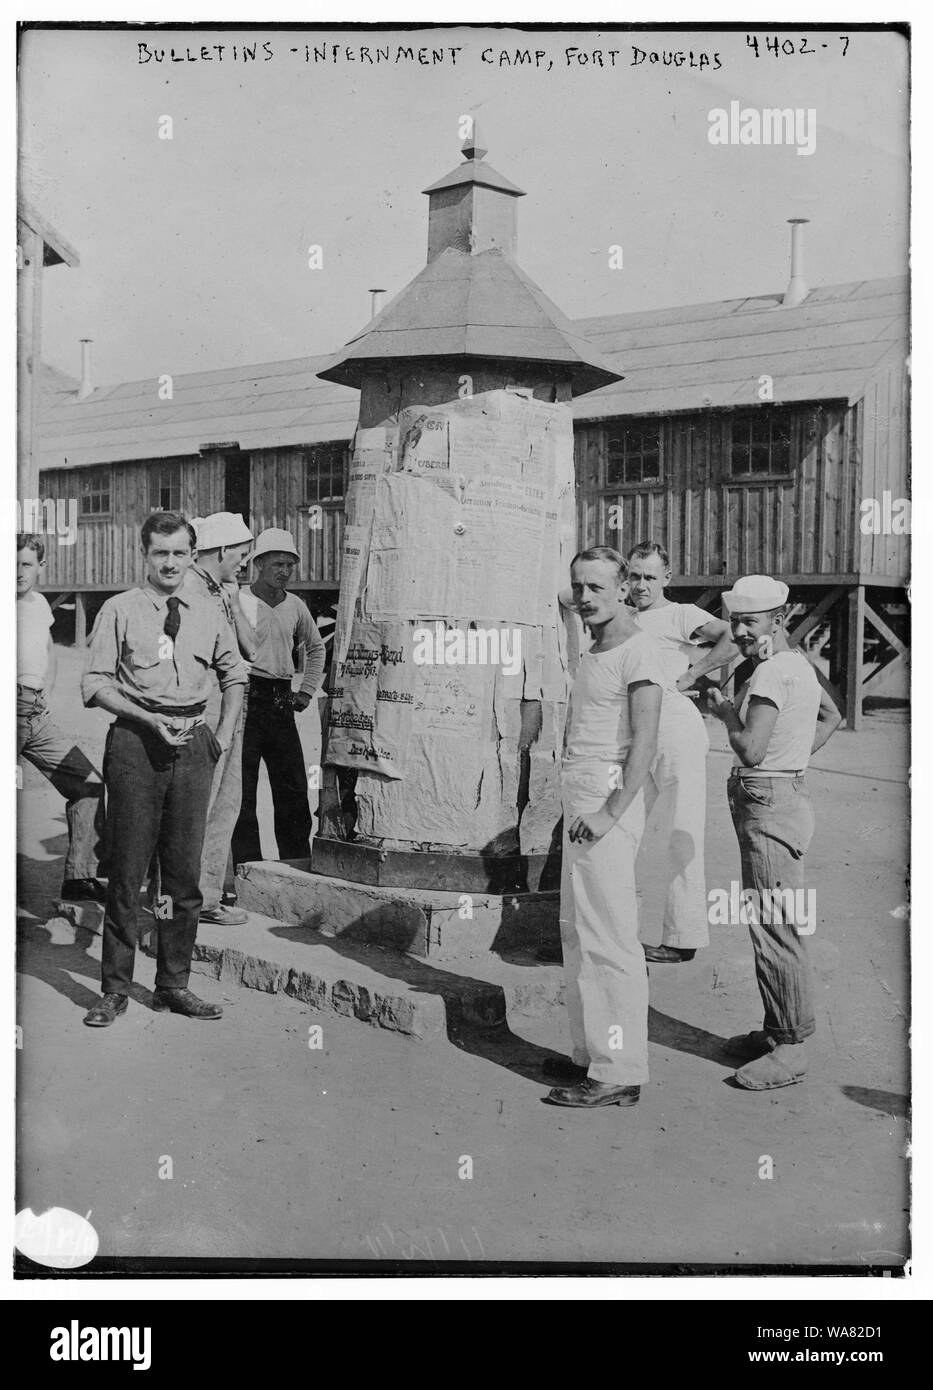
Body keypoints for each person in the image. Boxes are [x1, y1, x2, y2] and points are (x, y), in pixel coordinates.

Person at [80, 512, 247, 1028]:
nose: (170, 563)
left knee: (181, 879)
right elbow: (94, 685)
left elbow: (235, 674)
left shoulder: (208, 610)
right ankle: (114, 989)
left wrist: (219, 737)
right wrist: (147, 717)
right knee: (127, 874)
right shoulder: (120, 610)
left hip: (192, 745)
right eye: (160, 553)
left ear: (192, 556)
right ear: (145, 556)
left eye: (179, 553)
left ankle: (173, 983)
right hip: (135, 743)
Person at [708, 574, 842, 1090]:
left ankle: (790, 1050)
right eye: (736, 620)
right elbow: (831, 715)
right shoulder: (796, 666)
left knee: (773, 924)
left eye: (750, 621)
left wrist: (722, 710)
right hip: (781, 795)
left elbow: (751, 751)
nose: (739, 631)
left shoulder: (768, 675)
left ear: (779, 620)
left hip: (766, 799)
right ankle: (778, 1029)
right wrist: (794, 762)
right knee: (774, 917)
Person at [546, 546, 667, 1109]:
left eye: (597, 587)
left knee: (611, 936)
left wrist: (609, 812)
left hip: (606, 799)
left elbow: (644, 742)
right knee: (577, 928)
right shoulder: (593, 645)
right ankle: (589, 1053)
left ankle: (619, 1069)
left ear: (624, 589)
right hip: (579, 794)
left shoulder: (640, 651)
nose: (585, 597)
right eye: (579, 586)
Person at [626, 540, 739, 964]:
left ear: (667, 579)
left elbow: (732, 637)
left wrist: (692, 672)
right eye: (634, 576)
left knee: (681, 829)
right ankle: (619, 930)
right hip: (636, 728)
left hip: (675, 726)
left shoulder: (681, 614)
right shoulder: (624, 618)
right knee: (623, 828)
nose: (640, 585)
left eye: (650, 577)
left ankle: (683, 937)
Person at [17, 533, 106, 903]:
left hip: (35, 713)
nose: (17, 571)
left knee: (88, 784)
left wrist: (47, 689)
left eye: (25, 564)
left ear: (41, 567)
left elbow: (49, 650)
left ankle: (78, 876)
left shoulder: (38, 604)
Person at [231, 529, 326, 867]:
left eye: (289, 565)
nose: (284, 571)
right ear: (258, 564)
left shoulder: (295, 605)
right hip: (244, 698)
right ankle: (247, 866)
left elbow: (317, 648)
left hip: (282, 699)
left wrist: (306, 690)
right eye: (277, 564)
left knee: (292, 788)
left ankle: (297, 863)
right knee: (242, 791)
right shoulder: (239, 600)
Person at [184, 512, 257, 925]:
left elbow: (250, 651)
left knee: (225, 802)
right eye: (242, 554)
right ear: (224, 550)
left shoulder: (219, 590)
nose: (244, 563)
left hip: (227, 705)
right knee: (204, 805)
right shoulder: (195, 591)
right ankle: (190, 899)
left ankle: (199, 896)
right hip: (210, 709)